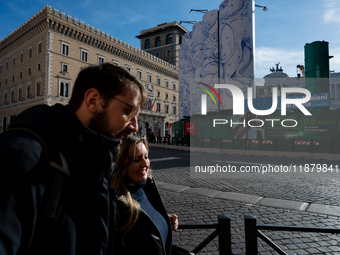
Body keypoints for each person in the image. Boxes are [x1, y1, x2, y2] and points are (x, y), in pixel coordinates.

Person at [0, 63, 146, 255]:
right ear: (93, 100)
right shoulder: (24, 155)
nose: (135, 126)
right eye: (129, 112)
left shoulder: (100, 159)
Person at [111, 136, 178, 255]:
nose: (145, 163)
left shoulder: (148, 187)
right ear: (122, 163)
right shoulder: (118, 207)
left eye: (146, 157)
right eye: (136, 159)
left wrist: (163, 219)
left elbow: (146, 219)